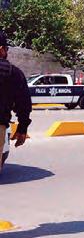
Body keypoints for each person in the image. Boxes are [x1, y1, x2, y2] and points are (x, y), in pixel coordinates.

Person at [0, 31, 32, 171]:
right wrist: (22, 128)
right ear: (1, 49)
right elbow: (23, 104)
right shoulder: (13, 73)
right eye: (6, 49)